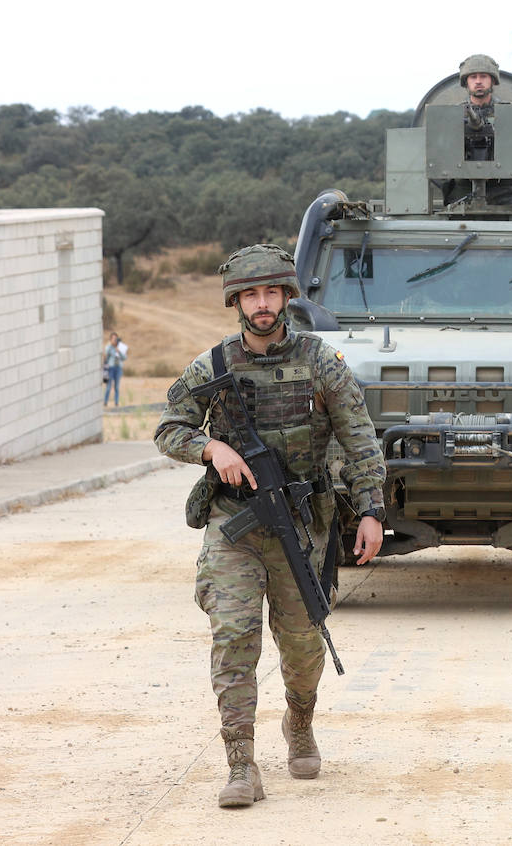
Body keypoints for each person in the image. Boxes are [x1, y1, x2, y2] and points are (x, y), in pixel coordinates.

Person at [154, 244, 387, 809]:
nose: (262, 305)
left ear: (286, 297)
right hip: (233, 521)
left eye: (272, 293)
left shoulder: (321, 361)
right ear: (237, 301)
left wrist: (373, 510)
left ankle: (299, 721)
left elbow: (359, 439)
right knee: (234, 637)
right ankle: (241, 763)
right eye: (251, 295)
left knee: (304, 644)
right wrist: (211, 447)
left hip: (301, 525)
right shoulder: (212, 367)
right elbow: (168, 428)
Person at [442, 53, 512, 208]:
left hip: (503, 190)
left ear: (492, 80)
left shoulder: (510, 113)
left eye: (483, 76)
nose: (478, 81)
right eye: (473, 77)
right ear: (466, 82)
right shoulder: (452, 115)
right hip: (463, 189)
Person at [102, 332, 126, 407]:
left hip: (118, 368)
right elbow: (105, 356)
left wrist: (119, 351)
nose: (115, 341)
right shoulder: (109, 347)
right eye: (113, 339)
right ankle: (105, 402)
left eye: (116, 339)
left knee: (116, 387)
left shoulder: (120, 347)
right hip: (110, 368)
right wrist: (110, 345)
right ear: (110, 339)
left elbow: (124, 358)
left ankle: (116, 403)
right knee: (108, 386)